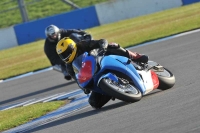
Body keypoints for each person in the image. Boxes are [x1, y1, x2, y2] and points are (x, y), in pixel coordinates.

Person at [56, 37, 148, 109]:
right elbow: (77, 79)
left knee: (112, 45)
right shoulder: (69, 66)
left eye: (66, 53)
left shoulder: (82, 44)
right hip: (94, 75)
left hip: (101, 59)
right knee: (93, 103)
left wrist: (103, 47)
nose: (65, 56)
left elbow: (102, 41)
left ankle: (135, 56)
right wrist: (84, 88)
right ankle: (112, 90)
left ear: (72, 47)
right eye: (62, 55)